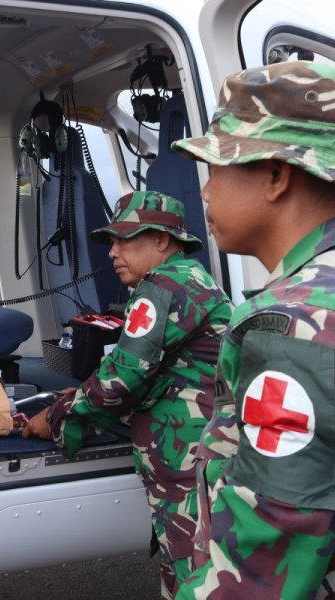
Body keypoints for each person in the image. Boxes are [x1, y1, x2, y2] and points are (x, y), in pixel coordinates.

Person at [169, 61, 335, 599]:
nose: (206, 192)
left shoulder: (291, 325)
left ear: (275, 175)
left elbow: (268, 560)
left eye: (216, 168)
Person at [23, 190, 233, 599]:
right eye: (111, 242)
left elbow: (121, 379)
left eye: (124, 239)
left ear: (161, 240)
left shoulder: (162, 286)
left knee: (196, 574)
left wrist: (54, 417)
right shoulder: (191, 278)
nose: (112, 253)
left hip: (186, 455)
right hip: (203, 447)